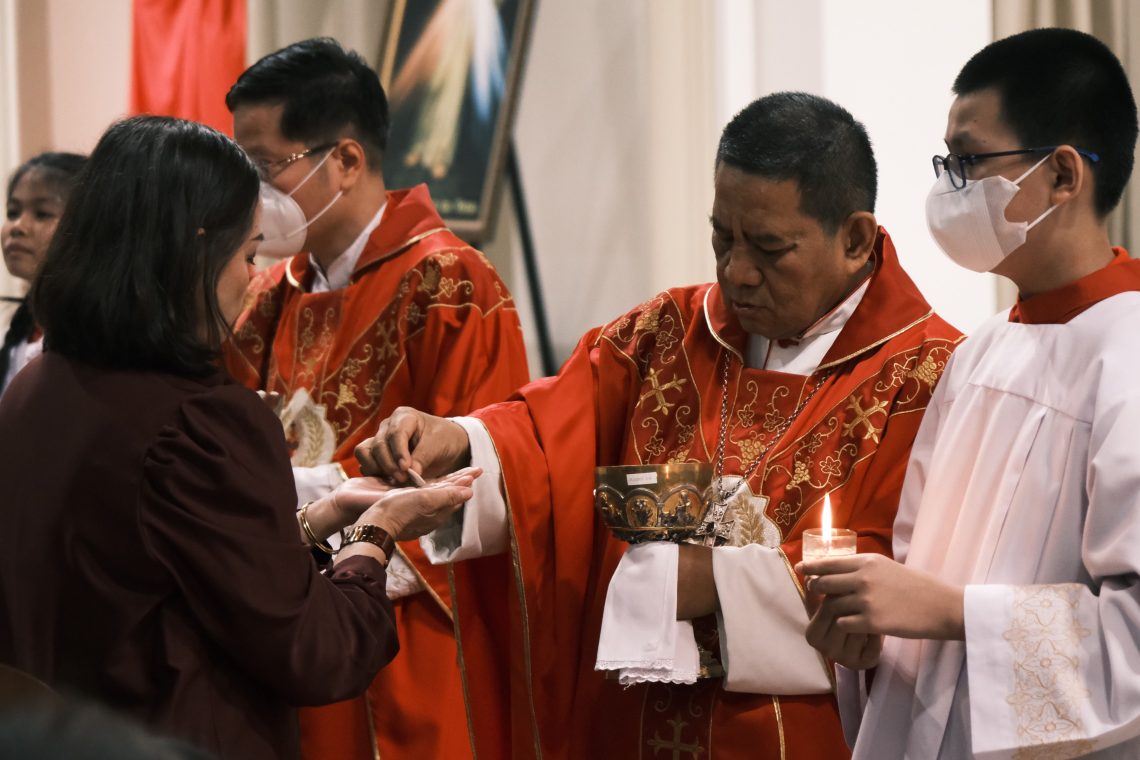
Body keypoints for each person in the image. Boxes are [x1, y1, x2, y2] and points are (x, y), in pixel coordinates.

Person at [361, 92, 964, 758]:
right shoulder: (665, 333)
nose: (736, 272)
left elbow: (913, 579)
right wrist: (459, 441)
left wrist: (716, 583)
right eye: (721, 238)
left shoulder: (931, 378)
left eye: (768, 248)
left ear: (853, 239)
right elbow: (544, 442)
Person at [0, 115, 479, 760]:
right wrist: (377, 532)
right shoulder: (200, 419)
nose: (252, 278)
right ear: (193, 251)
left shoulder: (35, 385)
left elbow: (168, 557)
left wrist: (317, 520)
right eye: (247, 254)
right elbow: (315, 651)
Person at [801, 28, 1140, 759]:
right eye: (945, 163)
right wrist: (869, 636)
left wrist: (954, 614)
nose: (948, 187)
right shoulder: (978, 352)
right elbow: (913, 571)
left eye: (969, 162)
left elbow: (1134, 637)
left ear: (1062, 176)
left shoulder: (1130, 359)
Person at [223, 37, 530, 760]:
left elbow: (474, 488)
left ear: (347, 160)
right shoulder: (267, 293)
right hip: (287, 622)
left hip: (404, 642)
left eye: (268, 167)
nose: (255, 192)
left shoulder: (452, 285)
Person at [0, 152, 86, 396]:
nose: (18, 227)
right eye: (13, 212)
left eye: (42, 213)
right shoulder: (12, 337)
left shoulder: (101, 342)